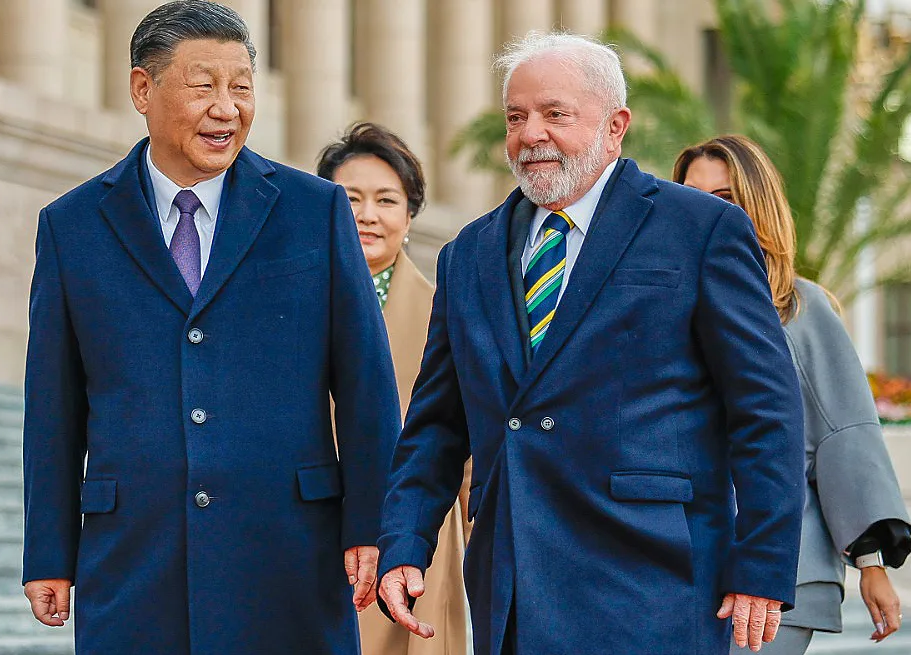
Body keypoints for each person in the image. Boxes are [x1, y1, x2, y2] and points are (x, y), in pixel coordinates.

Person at [376, 32, 806, 655]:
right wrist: (405, 543)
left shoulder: (701, 229)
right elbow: (438, 423)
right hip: (513, 584)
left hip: (655, 582)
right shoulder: (466, 254)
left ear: (615, 126)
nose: (530, 135)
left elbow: (766, 410)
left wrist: (761, 567)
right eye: (516, 117)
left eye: (555, 114)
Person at [21, 2, 400, 653]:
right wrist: (48, 550)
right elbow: (52, 406)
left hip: (289, 555)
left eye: (241, 87)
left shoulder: (315, 212)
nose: (227, 108)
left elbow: (366, 384)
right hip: (134, 562)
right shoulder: (72, 225)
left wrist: (376, 524)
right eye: (203, 87)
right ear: (143, 88)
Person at [675, 134, 911, 655]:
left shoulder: (800, 308)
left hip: (784, 568)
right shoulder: (669, 308)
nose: (705, 212)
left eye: (726, 199)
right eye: (692, 196)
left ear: (757, 207)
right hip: (684, 563)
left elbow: (845, 434)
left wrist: (871, 565)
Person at [317, 122, 471, 655]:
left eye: (387, 200)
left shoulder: (444, 310)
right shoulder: (285, 308)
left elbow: (467, 434)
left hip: (411, 535)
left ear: (409, 215)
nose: (367, 215)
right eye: (349, 198)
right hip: (313, 526)